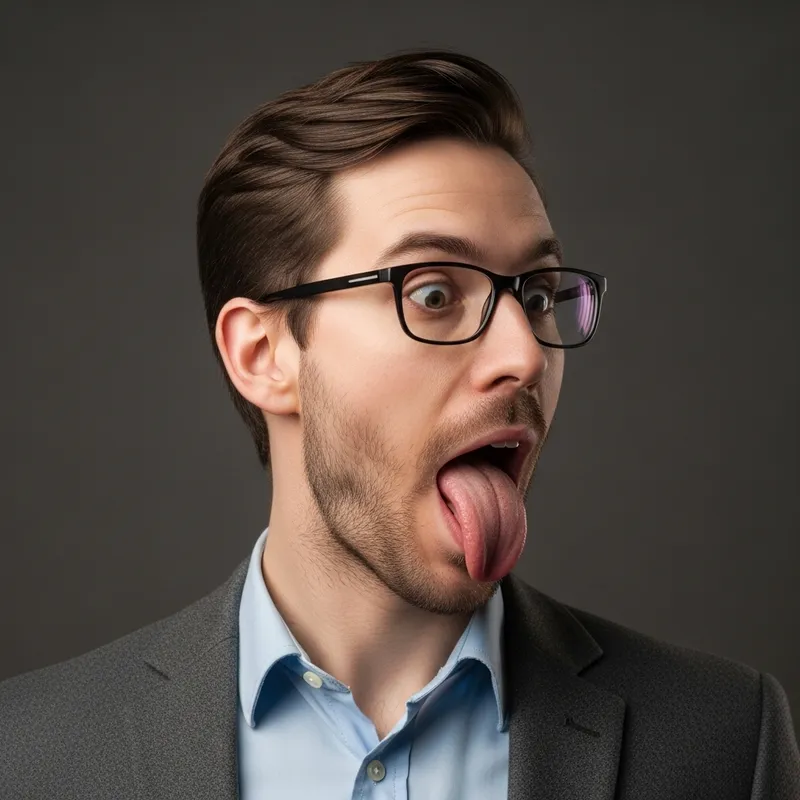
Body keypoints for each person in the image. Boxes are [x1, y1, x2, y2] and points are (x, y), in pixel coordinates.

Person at [1, 49, 798, 800]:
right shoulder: (30, 755)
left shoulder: (726, 740)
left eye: (536, 294)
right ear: (264, 354)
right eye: (433, 294)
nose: (524, 354)